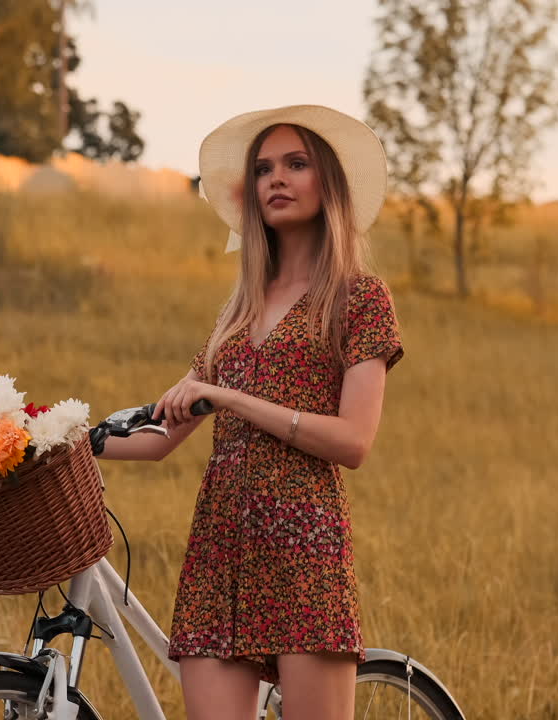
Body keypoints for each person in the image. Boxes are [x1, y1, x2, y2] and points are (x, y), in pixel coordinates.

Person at [94, 105, 403, 720]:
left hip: (304, 547)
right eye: (263, 169)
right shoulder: (237, 310)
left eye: (296, 164)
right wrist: (60, 440)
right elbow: (161, 433)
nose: (275, 180)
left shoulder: (360, 297)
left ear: (329, 183)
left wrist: (234, 399)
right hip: (219, 549)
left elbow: (355, 442)